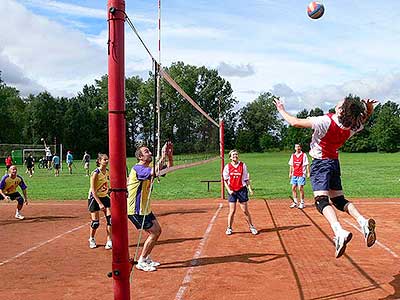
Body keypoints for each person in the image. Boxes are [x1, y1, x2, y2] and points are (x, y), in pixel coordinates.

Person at [274, 97, 377, 258]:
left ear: (341, 111)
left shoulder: (325, 121)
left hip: (321, 163)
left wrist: (281, 109)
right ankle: (362, 222)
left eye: (341, 103)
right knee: (339, 200)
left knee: (321, 201)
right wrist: (369, 108)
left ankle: (339, 231)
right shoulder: (352, 125)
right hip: (334, 162)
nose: (338, 102)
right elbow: (363, 118)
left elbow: (295, 122)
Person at [127, 145, 166, 272]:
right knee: (154, 232)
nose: (150, 153)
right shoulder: (138, 169)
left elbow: (166, 169)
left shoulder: (146, 168)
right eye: (146, 152)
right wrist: (163, 155)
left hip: (145, 209)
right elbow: (154, 172)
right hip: (136, 210)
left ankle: (147, 257)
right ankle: (141, 261)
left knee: (158, 231)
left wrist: (168, 156)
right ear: (140, 156)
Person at [223, 149, 258, 236]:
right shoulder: (227, 167)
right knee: (232, 211)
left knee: (245, 210)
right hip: (232, 191)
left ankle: (252, 227)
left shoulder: (243, 165)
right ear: (230, 157)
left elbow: (246, 179)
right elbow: (225, 180)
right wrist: (229, 190)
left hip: (242, 190)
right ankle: (229, 228)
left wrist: (250, 189)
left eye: (236, 154)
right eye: (233, 155)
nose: (235, 156)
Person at [87, 153, 112, 250]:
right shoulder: (95, 173)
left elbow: (107, 184)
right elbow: (93, 190)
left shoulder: (107, 172)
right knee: (95, 222)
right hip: (94, 197)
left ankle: (109, 240)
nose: (107, 161)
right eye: (104, 159)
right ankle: (91, 238)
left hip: (104, 196)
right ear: (99, 161)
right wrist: (100, 203)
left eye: (107, 159)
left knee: (110, 220)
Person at [288, 144, 310, 209]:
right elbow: (291, 165)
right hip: (294, 174)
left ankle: (302, 202)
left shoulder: (304, 155)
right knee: (293, 188)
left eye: (299, 147)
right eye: (296, 147)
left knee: (300, 188)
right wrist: (290, 172)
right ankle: (295, 202)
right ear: (295, 148)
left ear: (301, 148)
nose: (298, 148)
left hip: (301, 174)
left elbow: (307, 164)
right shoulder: (293, 155)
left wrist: (308, 172)